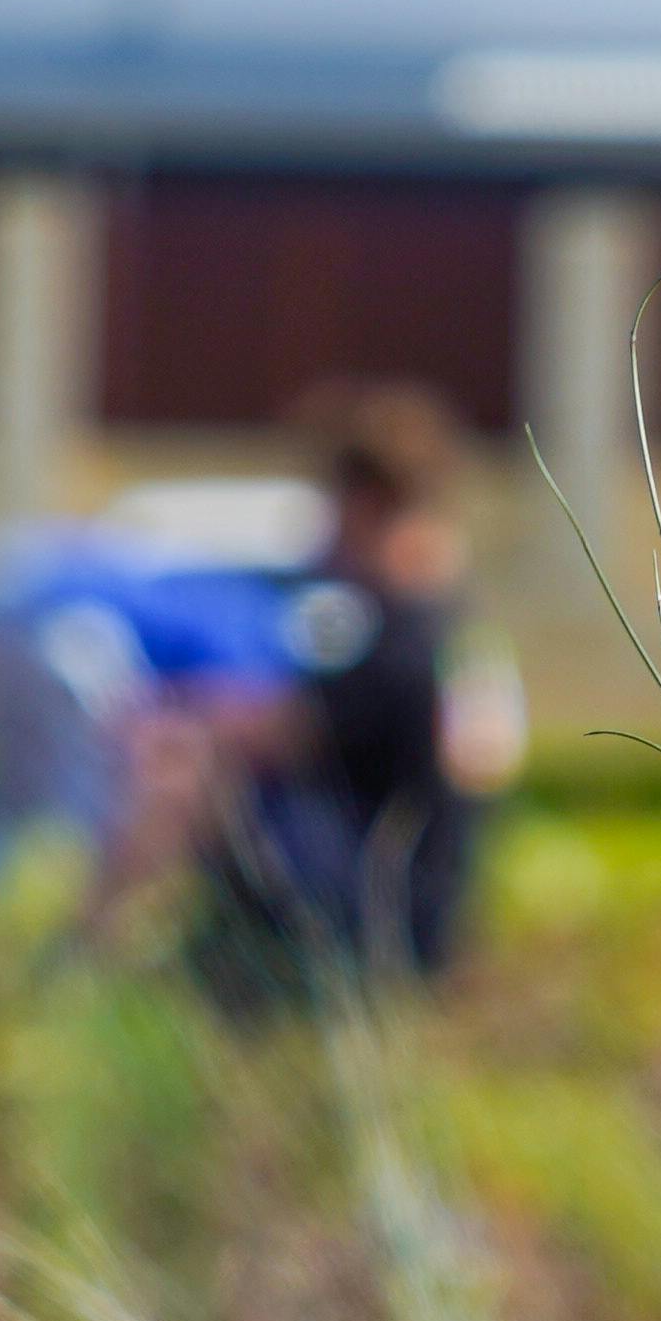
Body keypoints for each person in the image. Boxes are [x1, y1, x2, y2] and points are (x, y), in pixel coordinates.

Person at [194, 381, 516, 1001]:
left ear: (363, 507)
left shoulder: (394, 632)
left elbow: (282, 732)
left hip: (369, 916)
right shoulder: (455, 620)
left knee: (201, 775)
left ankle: (95, 954)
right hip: (432, 911)